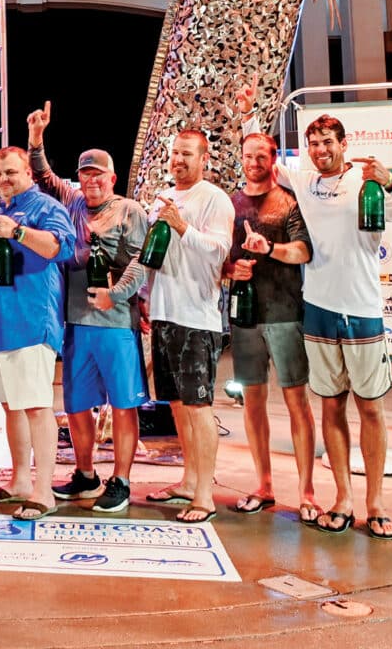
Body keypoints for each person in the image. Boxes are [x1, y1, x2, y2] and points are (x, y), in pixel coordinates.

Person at [273, 114, 392, 538]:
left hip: (362, 311)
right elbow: (267, 162)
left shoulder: (368, 186)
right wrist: (251, 112)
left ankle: (376, 502)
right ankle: (343, 498)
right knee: (331, 406)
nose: (321, 150)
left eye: (328, 142)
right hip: (319, 311)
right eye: (314, 143)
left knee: (371, 409)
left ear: (344, 143)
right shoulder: (305, 183)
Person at [26, 101, 149, 513]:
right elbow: (42, 175)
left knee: (123, 403)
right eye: (85, 174)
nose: (91, 181)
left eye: (98, 175)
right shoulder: (73, 200)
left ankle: (122, 479)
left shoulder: (129, 211)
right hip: (75, 322)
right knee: (76, 403)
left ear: (112, 177)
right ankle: (85, 474)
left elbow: (141, 262)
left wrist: (117, 293)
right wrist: (37, 139)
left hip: (115, 322)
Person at [0, 146, 76, 521]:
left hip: (32, 324)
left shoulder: (47, 208)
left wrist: (18, 231)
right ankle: (20, 481)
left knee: (35, 407)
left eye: (11, 173)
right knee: (10, 406)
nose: (3, 180)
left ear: (29, 175)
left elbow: (60, 248)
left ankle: (43, 491)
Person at [225, 132, 319, 523]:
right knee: (253, 402)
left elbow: (304, 251)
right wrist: (234, 270)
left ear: (273, 158)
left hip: (285, 313)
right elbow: (224, 259)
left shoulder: (289, 202)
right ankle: (263, 486)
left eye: (261, 156)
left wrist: (270, 250)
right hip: (246, 319)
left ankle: (307, 492)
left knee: (297, 401)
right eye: (248, 156)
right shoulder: (231, 205)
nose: (254, 162)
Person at [144, 130, 234, 524]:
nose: (178, 159)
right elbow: (151, 255)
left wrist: (182, 227)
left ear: (203, 158)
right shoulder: (163, 197)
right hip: (164, 313)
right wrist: (145, 297)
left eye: (186, 153)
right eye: (174, 152)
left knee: (199, 408)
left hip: (196, 318)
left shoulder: (214, 198)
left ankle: (205, 495)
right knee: (178, 406)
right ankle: (188, 480)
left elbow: (219, 251)